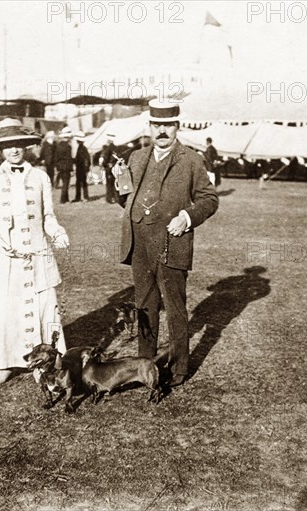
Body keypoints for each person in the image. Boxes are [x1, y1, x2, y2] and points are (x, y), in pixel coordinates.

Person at [115, 99, 219, 387]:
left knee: (174, 308)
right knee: (145, 307)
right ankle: (143, 366)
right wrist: (119, 186)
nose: (162, 131)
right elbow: (127, 200)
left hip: (172, 242)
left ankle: (178, 369)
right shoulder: (136, 157)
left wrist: (187, 216)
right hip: (139, 244)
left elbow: (209, 199)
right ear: (149, 126)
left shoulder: (191, 159)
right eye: (157, 125)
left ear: (177, 126)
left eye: (168, 126)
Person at [0, 118, 70, 386]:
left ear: (26, 147)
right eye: (7, 145)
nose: (13, 150)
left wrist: (58, 232)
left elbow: (48, 215)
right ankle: (5, 363)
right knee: (3, 309)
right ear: (0, 149)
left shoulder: (40, 177)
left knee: (41, 307)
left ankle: (43, 363)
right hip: (2, 257)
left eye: (18, 144)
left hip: (36, 254)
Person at [54, 127, 73, 204]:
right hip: (66, 167)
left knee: (64, 183)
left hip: (60, 166)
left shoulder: (58, 146)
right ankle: (63, 199)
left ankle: (66, 199)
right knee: (66, 184)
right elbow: (69, 159)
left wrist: (57, 167)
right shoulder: (68, 147)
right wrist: (71, 169)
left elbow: (56, 158)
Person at [72, 130, 90, 202]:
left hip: (82, 169)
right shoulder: (81, 148)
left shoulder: (82, 149)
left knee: (83, 183)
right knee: (79, 183)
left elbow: (85, 160)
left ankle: (85, 197)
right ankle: (78, 197)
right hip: (80, 168)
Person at [100, 133, 118, 203]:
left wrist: (104, 165)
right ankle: (115, 197)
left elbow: (106, 158)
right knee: (114, 183)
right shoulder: (116, 148)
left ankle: (110, 198)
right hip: (115, 167)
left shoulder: (108, 148)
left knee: (109, 184)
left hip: (109, 167)